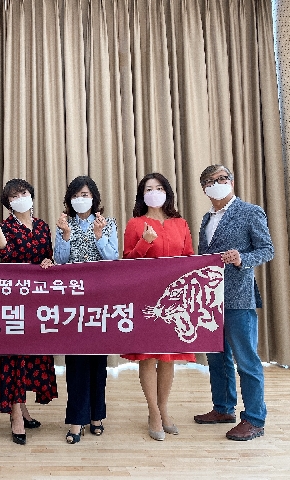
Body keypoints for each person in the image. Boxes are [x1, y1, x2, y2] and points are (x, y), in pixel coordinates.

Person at [194, 165, 274, 441]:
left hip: (239, 298)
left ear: (231, 181)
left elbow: (267, 249)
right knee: (217, 358)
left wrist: (242, 258)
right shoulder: (206, 218)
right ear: (204, 189)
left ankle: (254, 419)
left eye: (222, 178)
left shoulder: (250, 212)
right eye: (210, 181)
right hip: (210, 300)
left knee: (246, 361)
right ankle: (223, 408)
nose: (216, 183)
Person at [0, 178, 57, 446]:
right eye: (13, 196)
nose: (20, 198)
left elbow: (49, 256)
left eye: (23, 193)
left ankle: (22, 407)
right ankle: (15, 416)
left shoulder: (43, 226)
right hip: (11, 300)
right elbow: (4, 251)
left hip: (38, 302)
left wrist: (49, 261)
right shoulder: (5, 226)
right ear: (8, 203)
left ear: (31, 196)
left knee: (31, 356)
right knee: (12, 357)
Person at [121, 172, 196, 441]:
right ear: (142, 195)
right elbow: (127, 261)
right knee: (148, 355)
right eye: (149, 189)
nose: (154, 193)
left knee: (168, 356)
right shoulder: (135, 223)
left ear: (167, 192)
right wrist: (146, 241)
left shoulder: (180, 223)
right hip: (147, 298)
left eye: (159, 188)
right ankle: (152, 411)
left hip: (175, 300)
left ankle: (164, 408)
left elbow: (189, 258)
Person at [53, 176, 118, 444]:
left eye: (86, 194)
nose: (81, 199)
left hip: (100, 300)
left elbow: (113, 258)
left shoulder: (107, 223)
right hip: (73, 302)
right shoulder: (63, 224)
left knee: (98, 362)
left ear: (94, 198)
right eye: (76, 195)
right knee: (76, 362)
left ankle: (97, 416)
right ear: (70, 199)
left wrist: (100, 236)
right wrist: (66, 236)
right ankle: (76, 419)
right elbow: (59, 261)